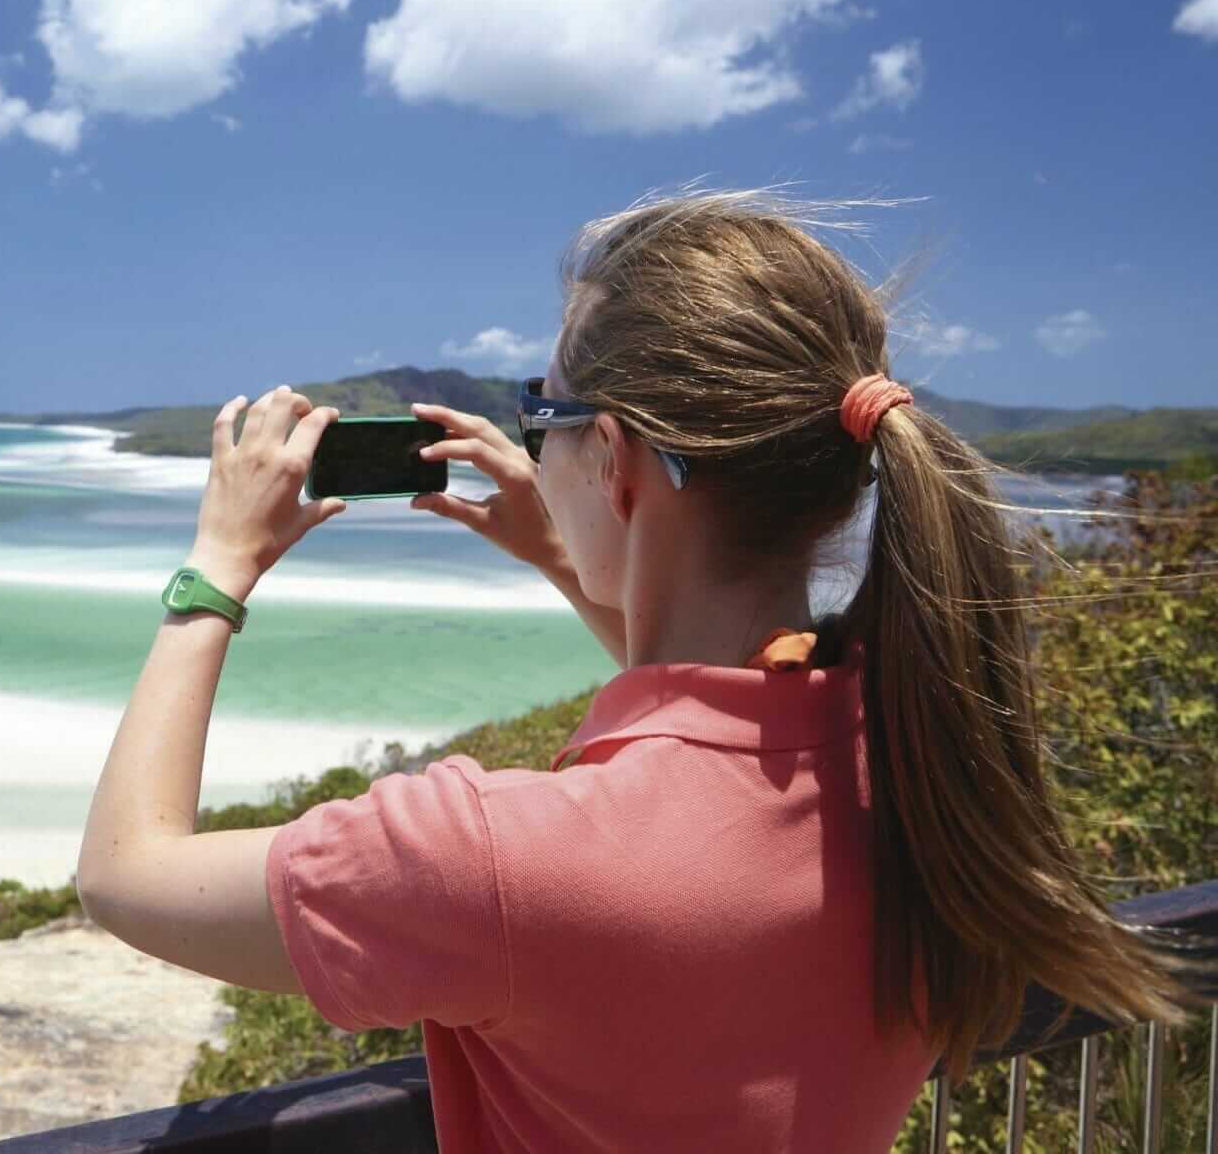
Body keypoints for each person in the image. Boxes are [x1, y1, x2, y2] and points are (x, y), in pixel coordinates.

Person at [74, 188, 1207, 1152]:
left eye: (543, 412)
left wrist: (215, 570)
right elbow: (724, 759)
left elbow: (126, 874)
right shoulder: (917, 760)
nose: (529, 441)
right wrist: (583, 560)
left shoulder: (492, 860)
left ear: (612, 460)